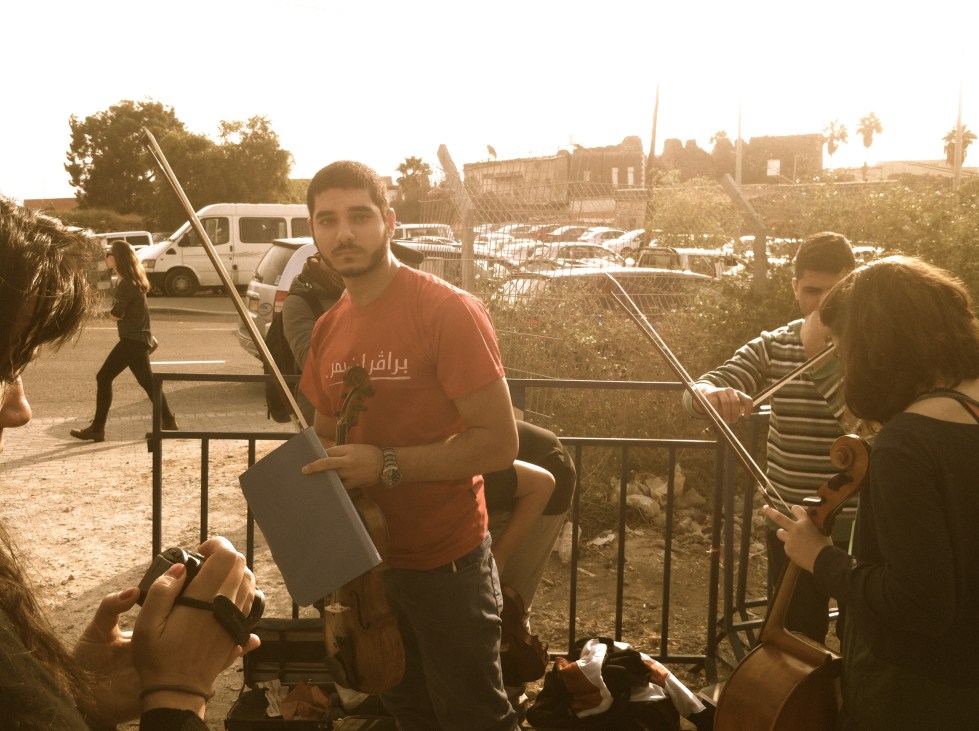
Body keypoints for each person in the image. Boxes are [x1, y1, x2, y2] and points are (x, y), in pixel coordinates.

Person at [0, 196, 260, 728]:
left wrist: (67, 694)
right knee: (120, 384)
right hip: (134, 342)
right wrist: (179, 694)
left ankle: (149, 421)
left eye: (19, 361)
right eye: (6, 362)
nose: (21, 409)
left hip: (134, 342)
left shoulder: (132, 283)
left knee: (127, 383)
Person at [298, 161, 520, 731]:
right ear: (314, 233)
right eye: (328, 221)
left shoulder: (446, 310)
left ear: (390, 222)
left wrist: (386, 464)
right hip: (366, 567)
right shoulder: (328, 327)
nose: (344, 233)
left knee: (473, 716)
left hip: (446, 563)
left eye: (359, 216)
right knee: (404, 706)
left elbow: (498, 443)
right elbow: (324, 432)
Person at [766, 255, 979, 729]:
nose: (842, 362)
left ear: (877, 346)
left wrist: (817, 554)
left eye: (843, 348)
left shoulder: (909, 441)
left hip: (919, 690)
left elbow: (918, 603)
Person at [682, 232, 857, 643]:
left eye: (837, 293)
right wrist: (710, 394)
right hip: (792, 521)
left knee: (862, 639)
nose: (824, 306)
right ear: (795, 288)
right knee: (797, 636)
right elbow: (699, 390)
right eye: (813, 292)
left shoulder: (875, 353)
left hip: (861, 525)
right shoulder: (774, 344)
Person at [70, 239, 178, 442]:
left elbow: (116, 315)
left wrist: (103, 313)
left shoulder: (126, 285)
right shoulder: (128, 281)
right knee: (148, 383)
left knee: (103, 377)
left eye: (109, 254)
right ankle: (169, 422)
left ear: (117, 258)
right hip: (139, 339)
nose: (106, 257)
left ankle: (97, 428)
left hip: (133, 340)